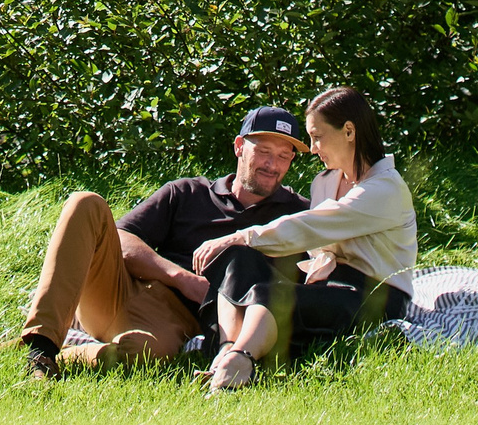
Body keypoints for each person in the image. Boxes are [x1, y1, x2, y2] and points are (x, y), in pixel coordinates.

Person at [17, 105, 313, 378]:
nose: (272, 164)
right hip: (122, 289)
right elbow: (121, 238)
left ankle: (70, 355)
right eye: (263, 151)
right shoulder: (187, 192)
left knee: (141, 355)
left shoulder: (301, 215)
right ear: (239, 147)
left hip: (175, 320)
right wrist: (181, 278)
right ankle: (40, 350)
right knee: (85, 203)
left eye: (284, 156)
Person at [189, 86, 417, 392]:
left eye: (317, 136)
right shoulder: (325, 182)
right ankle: (226, 351)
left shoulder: (385, 189)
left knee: (269, 293)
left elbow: (310, 227)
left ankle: (240, 361)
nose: (311, 148)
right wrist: (240, 244)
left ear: (349, 131)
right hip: (328, 285)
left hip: (374, 297)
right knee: (238, 257)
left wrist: (244, 234)